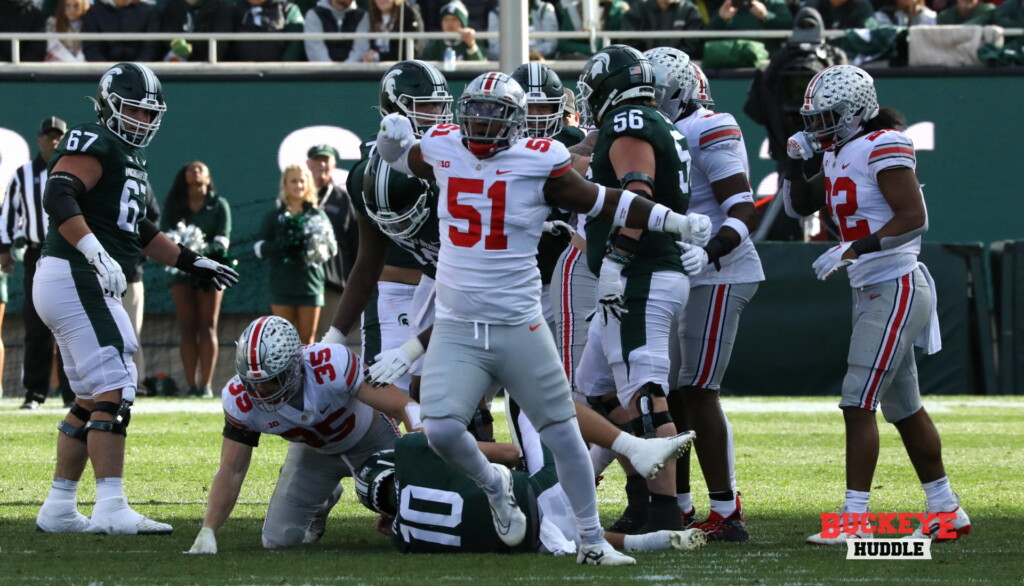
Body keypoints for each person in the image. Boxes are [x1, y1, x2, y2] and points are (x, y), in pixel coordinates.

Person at [375, 69, 710, 565]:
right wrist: (389, 139)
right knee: (443, 430)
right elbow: (402, 158)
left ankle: (593, 543)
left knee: (563, 432)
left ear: (515, 123)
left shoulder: (541, 161)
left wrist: (676, 221)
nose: (483, 124)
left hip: (519, 325)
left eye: (495, 115)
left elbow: (608, 202)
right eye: (477, 112)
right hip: (457, 328)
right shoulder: (445, 145)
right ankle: (495, 486)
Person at [33, 62, 238, 535]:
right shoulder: (95, 140)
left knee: (90, 395)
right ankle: (110, 504)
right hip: (76, 272)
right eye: (134, 111)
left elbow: (141, 230)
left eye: (150, 114)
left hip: (77, 276)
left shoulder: (128, 156)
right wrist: (93, 250)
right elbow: (59, 194)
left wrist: (192, 260)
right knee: (116, 383)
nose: (142, 122)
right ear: (109, 106)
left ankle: (60, 506)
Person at [782, 65, 971, 544]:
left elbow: (913, 218)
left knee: (856, 401)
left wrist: (854, 247)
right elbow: (798, 208)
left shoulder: (884, 142)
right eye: (814, 118)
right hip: (872, 287)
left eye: (828, 117)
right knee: (904, 408)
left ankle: (855, 518)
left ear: (855, 112)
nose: (818, 127)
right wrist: (797, 162)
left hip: (895, 283)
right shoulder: (837, 151)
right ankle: (945, 509)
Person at [573, 45, 706, 536]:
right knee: (596, 390)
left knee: (647, 395)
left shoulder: (630, 120)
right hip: (646, 273)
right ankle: (635, 499)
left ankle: (665, 512)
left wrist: (615, 262)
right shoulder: (654, 120)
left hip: (641, 274)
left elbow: (638, 195)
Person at [646, 49, 763, 542]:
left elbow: (743, 207)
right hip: (678, 273)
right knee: (670, 394)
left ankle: (726, 511)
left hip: (719, 271)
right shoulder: (658, 130)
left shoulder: (708, 127)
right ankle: (681, 505)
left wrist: (712, 252)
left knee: (697, 388)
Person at [185, 315, 420, 553]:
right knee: (278, 540)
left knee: (411, 508)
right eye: (252, 382)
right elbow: (231, 470)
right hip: (314, 454)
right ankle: (323, 498)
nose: (259, 391)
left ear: (294, 366)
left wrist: (421, 459)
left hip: (371, 440)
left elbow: (406, 406)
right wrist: (208, 530)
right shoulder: (239, 399)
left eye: (271, 380)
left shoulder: (331, 362)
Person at [356, 400, 705, 555]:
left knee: (566, 530)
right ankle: (628, 446)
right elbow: (509, 454)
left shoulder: (403, 540)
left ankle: (652, 541)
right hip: (546, 493)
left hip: (540, 538)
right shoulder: (411, 451)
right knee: (534, 396)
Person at [323, 59, 451, 402]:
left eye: (439, 105)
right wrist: (333, 337)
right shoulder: (371, 172)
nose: (436, 113)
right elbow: (367, 262)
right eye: (425, 106)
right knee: (392, 391)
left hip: (462, 283)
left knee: (452, 392)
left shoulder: (458, 162)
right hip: (404, 285)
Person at [0, 116, 73, 410]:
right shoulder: (22, 174)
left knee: (70, 324)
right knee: (35, 323)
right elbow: (7, 214)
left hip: (70, 252)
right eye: (49, 136)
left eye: (59, 137)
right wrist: (4, 249)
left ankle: (72, 394)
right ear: (39, 140)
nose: (54, 142)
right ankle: (35, 393)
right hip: (36, 252)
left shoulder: (76, 172)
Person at [162, 161, 232, 398]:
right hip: (181, 272)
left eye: (201, 168)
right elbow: (165, 237)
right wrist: (186, 255)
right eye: (190, 169)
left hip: (210, 272)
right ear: (184, 176)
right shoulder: (174, 205)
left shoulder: (219, 205)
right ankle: (191, 385)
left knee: (208, 326)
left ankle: (206, 385)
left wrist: (200, 253)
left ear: (209, 176)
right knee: (187, 327)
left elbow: (223, 240)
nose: (195, 171)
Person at [254, 164, 332, 344]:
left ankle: (307, 374)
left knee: (307, 341)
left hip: (310, 286)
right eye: (293, 181)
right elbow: (259, 248)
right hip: (282, 286)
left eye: (302, 181)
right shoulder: (274, 216)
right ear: (285, 185)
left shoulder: (318, 216)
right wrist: (284, 244)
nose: (298, 185)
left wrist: (311, 246)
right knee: (283, 341)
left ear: (309, 185)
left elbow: (330, 249)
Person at [306, 145, 357, 341]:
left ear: (334, 164)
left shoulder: (342, 199)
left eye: (326, 160)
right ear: (308, 164)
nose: (322, 164)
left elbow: (355, 242)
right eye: (317, 160)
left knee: (328, 342)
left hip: (333, 282)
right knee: (300, 341)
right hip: (301, 283)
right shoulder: (296, 196)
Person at [81, 0, 161, 63]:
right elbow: (91, 47)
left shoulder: (149, 11)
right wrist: (108, 71)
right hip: (103, 75)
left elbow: (151, 47)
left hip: (142, 74)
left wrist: (137, 70)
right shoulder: (93, 13)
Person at [622, 0, 705, 58]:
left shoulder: (690, 11)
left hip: (680, 66)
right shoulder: (637, 10)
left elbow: (693, 46)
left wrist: (671, 58)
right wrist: (646, 57)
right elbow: (628, 44)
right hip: (644, 65)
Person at [229, 0, 305, 62]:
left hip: (276, 75)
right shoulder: (232, 9)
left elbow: (295, 47)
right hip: (239, 75)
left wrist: (281, 72)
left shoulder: (288, 9)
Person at [160, 0, 234, 63]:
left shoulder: (219, 7)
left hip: (207, 70)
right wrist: (175, 44)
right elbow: (167, 38)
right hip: (176, 70)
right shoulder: (172, 7)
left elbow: (220, 46)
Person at [486, 0, 559, 61]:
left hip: (540, 61)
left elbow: (551, 43)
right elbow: (494, 47)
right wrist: (517, 56)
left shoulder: (545, 9)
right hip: (509, 64)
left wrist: (531, 54)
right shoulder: (496, 13)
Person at [303, 0, 370, 62]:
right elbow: (315, 49)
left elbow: (360, 48)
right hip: (321, 72)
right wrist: (330, 70)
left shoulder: (362, 16)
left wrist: (346, 69)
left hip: (354, 72)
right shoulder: (314, 14)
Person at [420, 1, 484, 62]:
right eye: (446, 19)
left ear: (462, 23)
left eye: (454, 19)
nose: (450, 23)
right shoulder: (435, 44)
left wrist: (471, 45)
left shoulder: (475, 40)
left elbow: (481, 67)